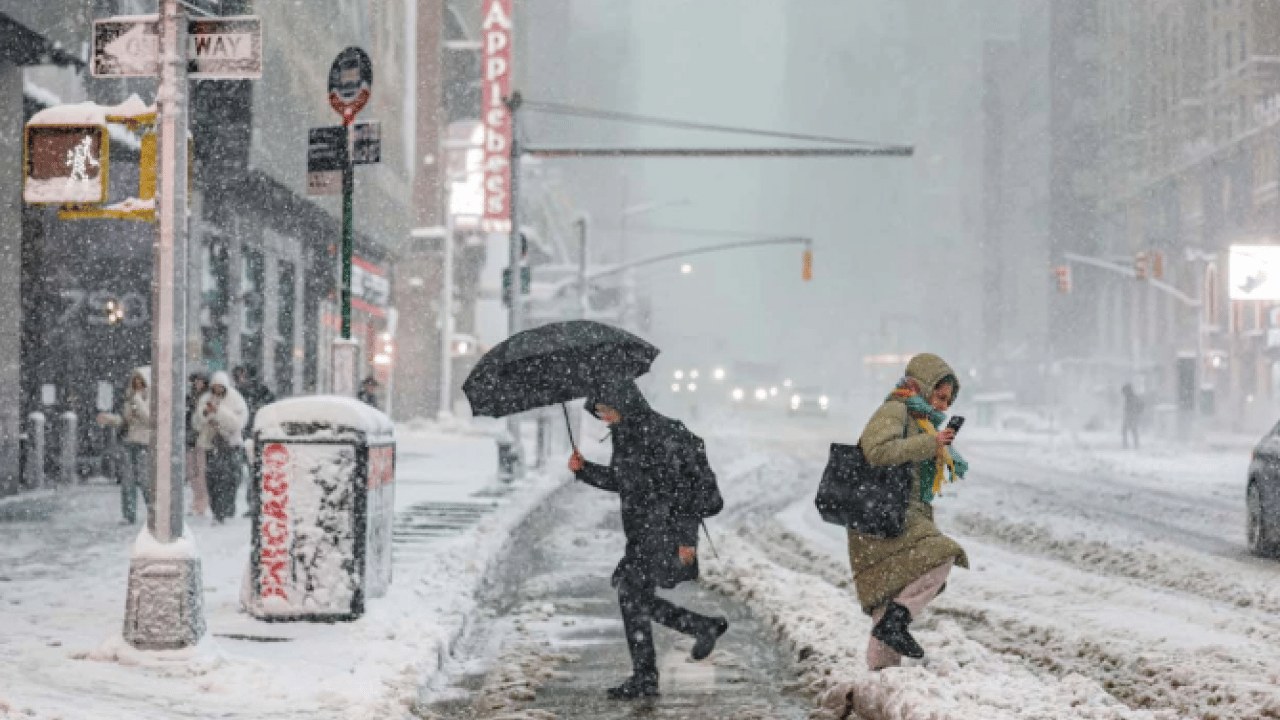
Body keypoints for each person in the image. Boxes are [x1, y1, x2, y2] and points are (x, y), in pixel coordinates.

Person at [568, 380, 728, 700]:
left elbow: (682, 490)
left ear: (624, 403)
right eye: (599, 412)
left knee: (631, 594)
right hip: (644, 532)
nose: (605, 417)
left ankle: (648, 674)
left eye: (608, 410)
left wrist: (685, 539)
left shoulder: (657, 434)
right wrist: (584, 469)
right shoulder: (627, 434)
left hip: (665, 531)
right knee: (634, 597)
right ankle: (696, 631)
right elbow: (626, 482)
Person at [852, 353, 970, 670]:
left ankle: (881, 679)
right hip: (883, 515)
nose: (944, 407)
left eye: (948, 401)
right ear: (924, 385)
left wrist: (932, 441)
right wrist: (930, 444)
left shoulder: (919, 419)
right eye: (941, 397)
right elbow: (875, 451)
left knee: (888, 591)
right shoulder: (895, 410)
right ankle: (897, 619)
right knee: (942, 554)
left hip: (889, 516)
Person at [96, 367, 152, 525]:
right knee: (128, 480)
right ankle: (128, 514)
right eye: (135, 383)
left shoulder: (148, 399)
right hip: (129, 442)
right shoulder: (130, 399)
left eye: (141, 383)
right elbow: (125, 421)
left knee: (145, 481)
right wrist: (108, 419)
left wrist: (138, 401)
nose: (138, 386)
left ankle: (153, 511)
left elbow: (149, 419)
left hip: (144, 443)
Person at [194, 370, 249, 523]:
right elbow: (198, 421)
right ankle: (217, 510)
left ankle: (226, 508)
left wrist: (218, 412)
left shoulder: (236, 399)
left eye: (220, 387)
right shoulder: (206, 399)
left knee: (230, 478)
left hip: (231, 444)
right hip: (211, 445)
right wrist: (207, 414)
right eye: (215, 387)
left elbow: (237, 423)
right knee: (212, 479)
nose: (217, 390)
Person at [185, 371, 210, 518]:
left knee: (200, 471)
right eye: (196, 381)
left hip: (202, 438)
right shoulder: (190, 398)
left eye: (200, 381)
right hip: (190, 437)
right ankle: (197, 499)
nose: (197, 384)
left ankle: (202, 502)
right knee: (191, 472)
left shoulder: (206, 398)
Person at [1121, 383, 1143, 449]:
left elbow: (1138, 406)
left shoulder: (1132, 398)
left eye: (1124, 392)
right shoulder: (1130, 397)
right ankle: (1134, 444)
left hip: (1132, 416)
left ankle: (1132, 444)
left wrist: (1135, 412)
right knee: (1131, 430)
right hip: (1131, 416)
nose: (1124, 394)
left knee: (1130, 430)